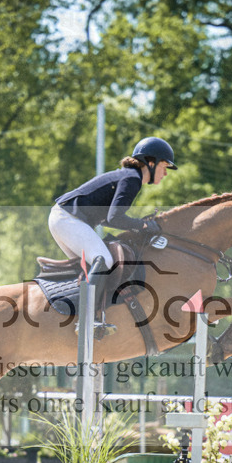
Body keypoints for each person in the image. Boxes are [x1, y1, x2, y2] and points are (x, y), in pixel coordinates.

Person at [49, 136, 176, 337]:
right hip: (67, 218)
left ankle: (81, 315)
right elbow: (115, 217)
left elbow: (108, 219)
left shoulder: (129, 176)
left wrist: (138, 225)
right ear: (150, 163)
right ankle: (86, 319)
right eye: (164, 166)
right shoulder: (132, 179)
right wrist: (143, 225)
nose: (166, 173)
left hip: (63, 217)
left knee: (92, 266)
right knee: (104, 259)